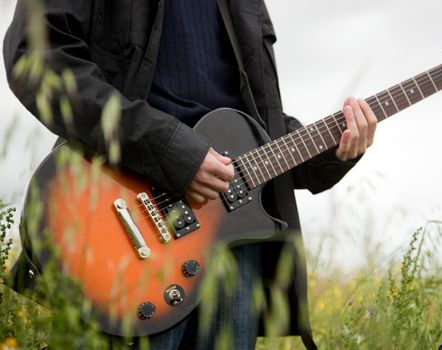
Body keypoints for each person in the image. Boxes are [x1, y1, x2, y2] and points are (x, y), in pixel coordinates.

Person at [4, 0, 377, 349]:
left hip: (233, 248)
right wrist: (170, 151)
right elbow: (36, 57)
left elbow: (261, 127)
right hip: (121, 225)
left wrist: (336, 147)